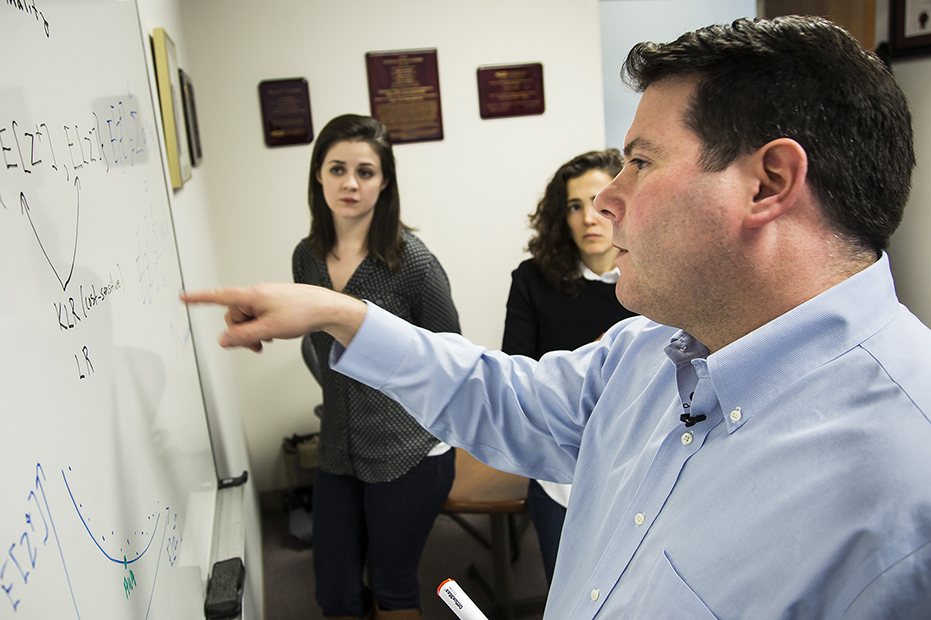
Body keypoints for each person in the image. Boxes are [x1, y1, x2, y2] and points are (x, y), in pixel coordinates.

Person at [184, 17, 931, 619]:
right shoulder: (648, 349)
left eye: (639, 162)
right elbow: (505, 397)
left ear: (767, 183)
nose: (606, 202)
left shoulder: (907, 482)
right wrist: (343, 315)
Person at [291, 114, 460, 620]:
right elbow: (313, 344)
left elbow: (450, 356)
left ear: (384, 180)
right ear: (318, 175)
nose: (350, 183)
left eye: (365, 171)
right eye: (337, 169)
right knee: (335, 595)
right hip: (339, 446)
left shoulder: (413, 263)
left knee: (392, 586)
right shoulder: (307, 258)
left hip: (411, 450)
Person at [502, 149, 635, 586]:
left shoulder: (651, 282)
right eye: (574, 207)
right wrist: (591, 359)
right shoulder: (531, 281)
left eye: (598, 202)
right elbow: (516, 379)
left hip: (636, 460)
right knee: (569, 592)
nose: (588, 218)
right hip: (561, 469)